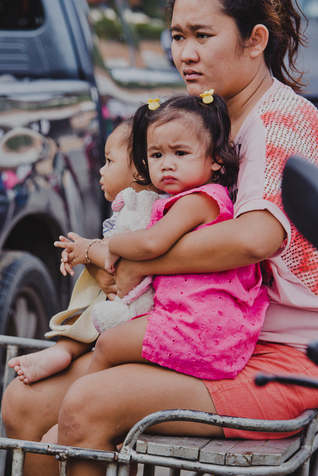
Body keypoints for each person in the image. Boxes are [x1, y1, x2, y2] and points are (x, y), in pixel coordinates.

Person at [0, 0, 318, 476]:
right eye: (176, 35)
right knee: (23, 405)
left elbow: (254, 237)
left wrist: (126, 253)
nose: (185, 53)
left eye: (202, 34)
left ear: (255, 40)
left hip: (300, 357)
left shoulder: (278, 121)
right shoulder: (215, 121)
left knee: (87, 407)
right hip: (222, 335)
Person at [63, 93, 263, 380]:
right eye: (157, 155)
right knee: (113, 339)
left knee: (109, 342)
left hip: (201, 329)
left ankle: (84, 401)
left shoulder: (199, 200)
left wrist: (112, 246)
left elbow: (151, 243)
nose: (166, 164)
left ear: (216, 159)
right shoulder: (176, 200)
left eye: (180, 154)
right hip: (190, 321)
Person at [7, 119, 159, 384]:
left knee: (96, 305)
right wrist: (85, 255)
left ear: (139, 169)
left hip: (137, 310)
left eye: (110, 162)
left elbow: (120, 257)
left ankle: (64, 351)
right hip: (126, 303)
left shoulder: (147, 209)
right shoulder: (127, 210)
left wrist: (87, 252)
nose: (101, 171)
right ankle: (62, 350)